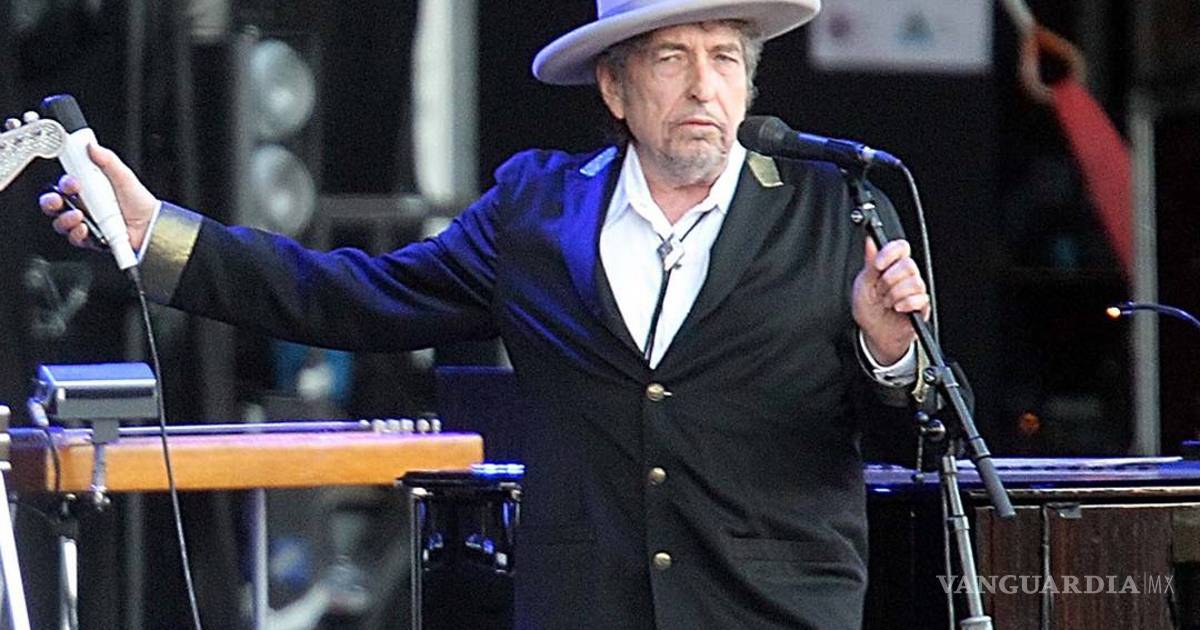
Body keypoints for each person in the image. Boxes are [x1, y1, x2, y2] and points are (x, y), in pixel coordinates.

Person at [41, 1, 931, 627]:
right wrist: (158, 236)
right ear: (615, 88)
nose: (704, 86)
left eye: (725, 58)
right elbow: (351, 296)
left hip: (773, 611)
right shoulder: (537, 209)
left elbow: (914, 440)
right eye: (672, 58)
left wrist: (891, 354)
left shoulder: (836, 209)